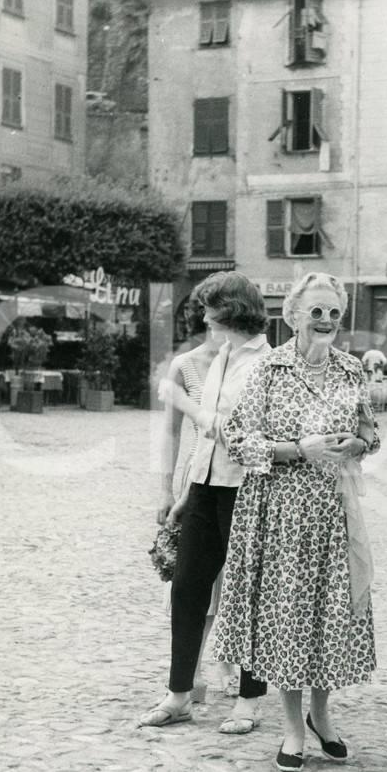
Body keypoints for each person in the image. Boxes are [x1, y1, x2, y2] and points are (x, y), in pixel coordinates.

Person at [212, 273, 379, 772]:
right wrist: (293, 450)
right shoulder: (270, 369)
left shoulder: (352, 371)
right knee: (286, 619)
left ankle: (320, 715)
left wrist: (360, 443)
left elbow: (370, 430)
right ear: (294, 315)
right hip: (280, 513)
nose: (325, 320)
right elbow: (236, 438)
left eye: (333, 312)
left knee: (330, 616)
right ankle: (290, 730)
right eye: (316, 311)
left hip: (333, 511)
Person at [140, 272, 270, 730]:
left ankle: (249, 702)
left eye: (209, 309)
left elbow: (234, 433)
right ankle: (179, 694)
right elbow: (206, 443)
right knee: (187, 590)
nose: (203, 318)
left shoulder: (266, 365)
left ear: (230, 310)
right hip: (207, 487)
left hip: (247, 490)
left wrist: (183, 400)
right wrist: (187, 493)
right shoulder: (223, 358)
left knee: (246, 596)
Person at [153, 284, 236, 700]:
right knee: (194, 578)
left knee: (236, 579)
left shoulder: (251, 361)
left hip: (241, 477)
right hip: (198, 477)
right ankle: (194, 669)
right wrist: (166, 489)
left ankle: (230, 663)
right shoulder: (185, 365)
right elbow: (169, 432)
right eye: (213, 309)